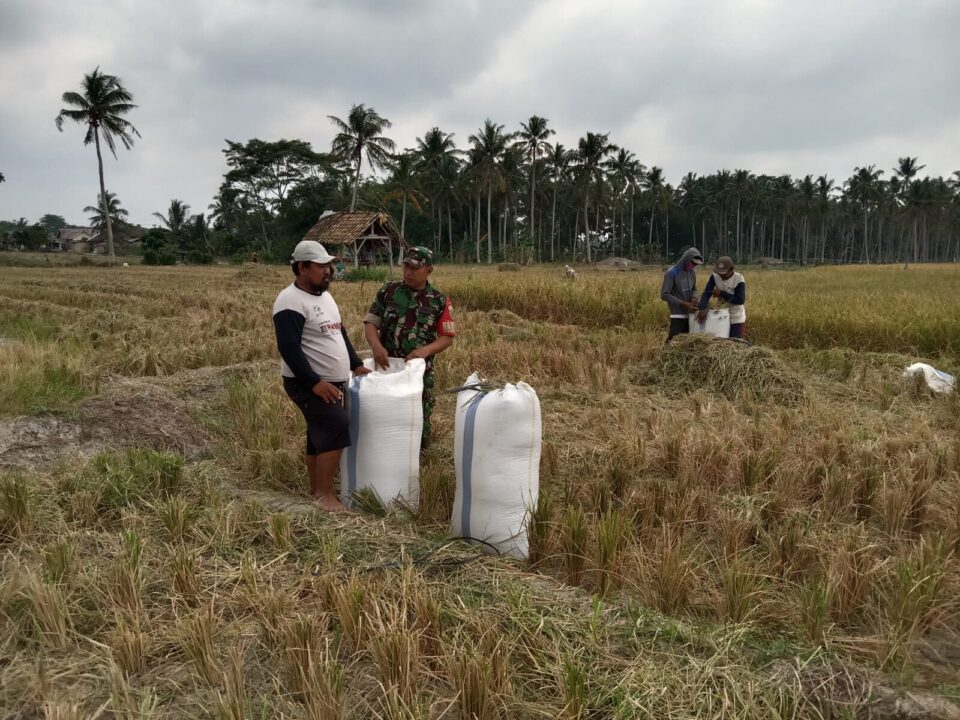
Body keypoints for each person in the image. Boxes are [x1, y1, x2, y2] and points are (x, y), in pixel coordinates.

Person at [272, 240, 370, 511]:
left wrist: (356, 364)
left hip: (329, 381)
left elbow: (339, 332)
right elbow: (289, 348)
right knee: (336, 424)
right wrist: (314, 382)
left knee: (319, 432)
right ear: (302, 267)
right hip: (307, 383)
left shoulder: (324, 296)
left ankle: (316, 490)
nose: (328, 271)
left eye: (329, 265)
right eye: (321, 266)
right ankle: (325, 495)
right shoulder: (289, 301)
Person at [363, 246, 456, 452]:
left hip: (418, 372)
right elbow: (370, 324)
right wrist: (376, 346)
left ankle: (419, 459)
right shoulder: (388, 292)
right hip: (386, 369)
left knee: (419, 416)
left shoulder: (439, 300)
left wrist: (425, 351)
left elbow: (447, 337)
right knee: (383, 414)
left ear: (429, 270)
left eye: (414, 268)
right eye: (406, 266)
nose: (408, 272)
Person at [697, 256, 746, 338]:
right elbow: (706, 293)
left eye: (724, 273)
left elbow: (740, 300)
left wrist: (721, 293)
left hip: (736, 316)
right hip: (721, 315)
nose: (721, 275)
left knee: (736, 342)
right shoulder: (715, 276)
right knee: (721, 341)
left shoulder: (738, 279)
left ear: (731, 270)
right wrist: (702, 308)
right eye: (719, 272)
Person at [661, 247, 703, 341]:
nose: (693, 266)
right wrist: (683, 304)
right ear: (686, 259)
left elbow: (694, 289)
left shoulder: (692, 273)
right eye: (692, 263)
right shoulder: (672, 273)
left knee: (687, 344)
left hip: (691, 315)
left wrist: (694, 298)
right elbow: (664, 294)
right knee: (673, 342)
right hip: (677, 315)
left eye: (696, 264)